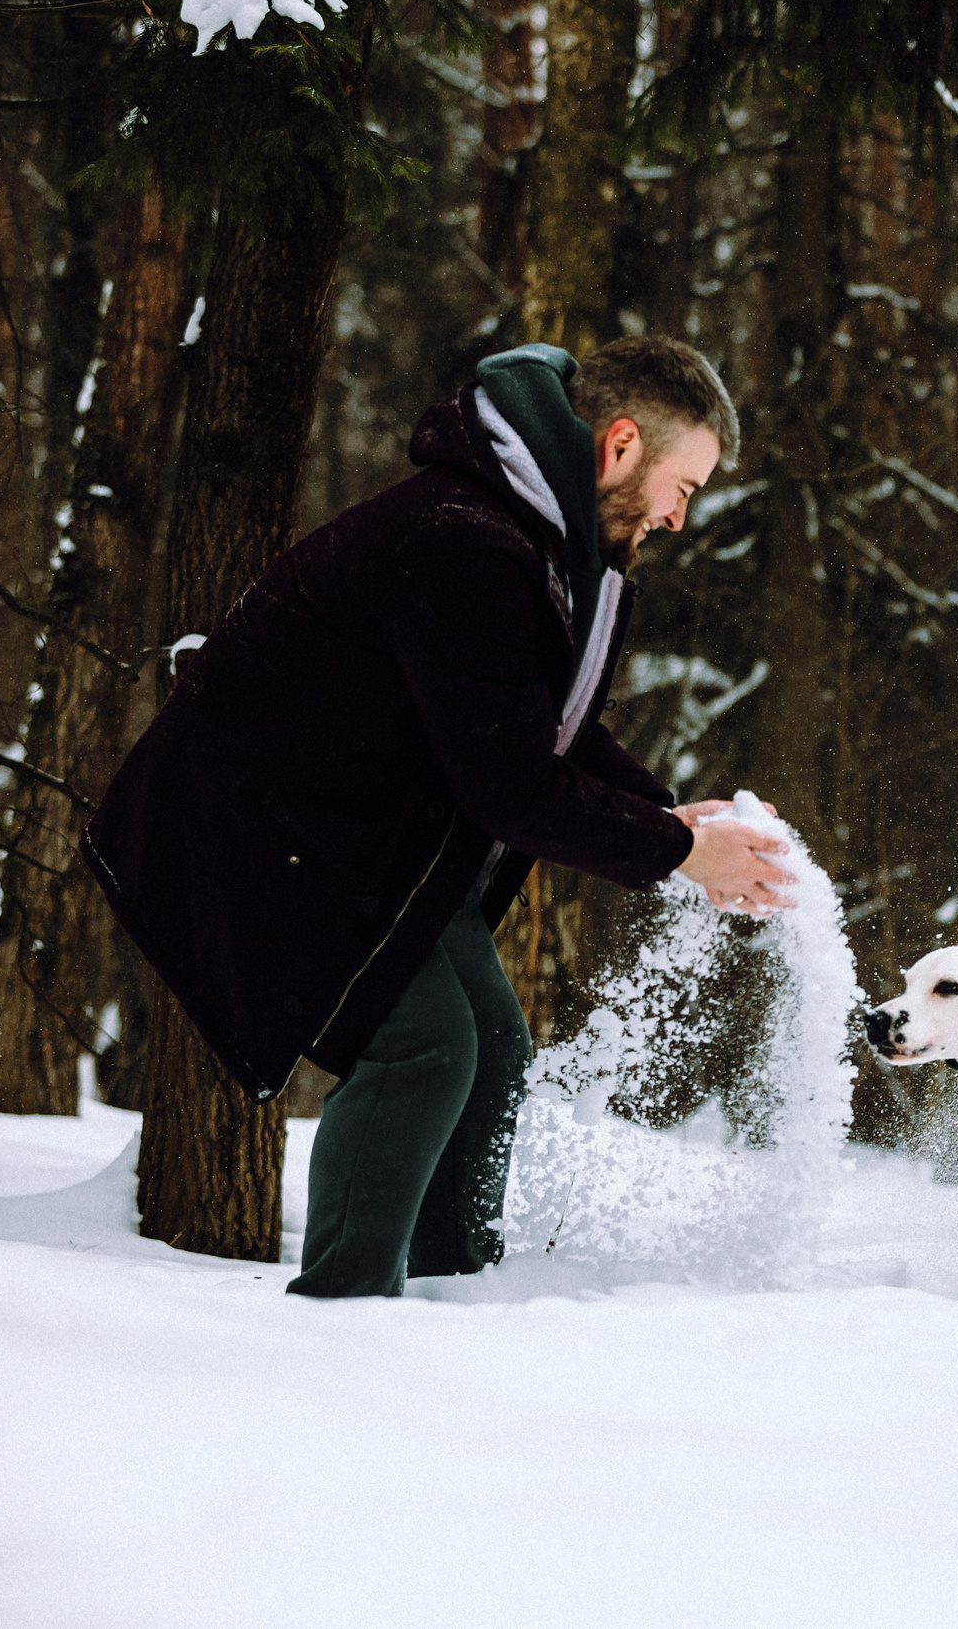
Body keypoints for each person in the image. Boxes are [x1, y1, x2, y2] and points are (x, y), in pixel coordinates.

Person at [84, 337, 797, 1298]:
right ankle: (345, 1315)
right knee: (424, 1047)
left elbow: (534, 721)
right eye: (685, 484)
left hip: (366, 829)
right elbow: (511, 784)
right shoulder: (467, 538)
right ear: (620, 445)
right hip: (265, 823)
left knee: (493, 1043)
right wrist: (679, 852)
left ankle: (456, 1302)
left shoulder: (534, 538)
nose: (680, 516)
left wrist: (667, 813)